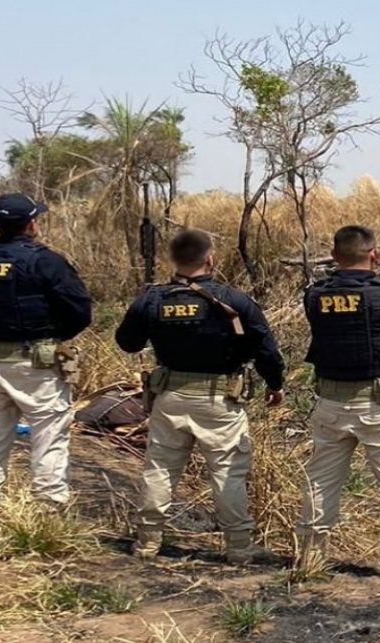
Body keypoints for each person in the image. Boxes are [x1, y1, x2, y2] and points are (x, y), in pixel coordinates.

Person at [114, 228, 286, 564]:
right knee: (228, 472)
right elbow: (266, 349)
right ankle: (239, 548)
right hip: (219, 401)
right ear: (210, 259)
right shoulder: (234, 300)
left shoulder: (152, 299)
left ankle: (147, 542)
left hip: (170, 398)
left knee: (160, 470)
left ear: (172, 260)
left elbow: (127, 342)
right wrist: (275, 384)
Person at [297, 225, 380, 579]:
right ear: (375, 254)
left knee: (320, 479)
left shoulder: (314, 295)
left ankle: (311, 556)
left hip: (329, 401)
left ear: (333, 254)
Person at [0, 193, 93, 531]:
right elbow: (80, 312)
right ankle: (49, 522)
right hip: (38, 367)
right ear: (31, 223)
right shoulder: (46, 261)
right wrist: (51, 336)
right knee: (49, 439)